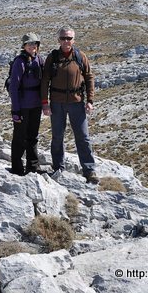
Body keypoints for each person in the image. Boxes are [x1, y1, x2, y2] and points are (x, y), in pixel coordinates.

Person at [41, 27, 99, 184]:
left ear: (74, 40)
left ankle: (89, 170)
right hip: (57, 103)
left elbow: (89, 78)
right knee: (57, 137)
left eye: (69, 38)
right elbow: (45, 80)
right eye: (63, 38)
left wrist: (90, 100)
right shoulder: (52, 57)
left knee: (83, 137)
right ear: (58, 40)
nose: (66, 41)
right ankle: (58, 167)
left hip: (77, 102)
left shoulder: (80, 56)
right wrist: (45, 104)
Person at [8, 32, 44, 175]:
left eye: (35, 44)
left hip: (36, 105)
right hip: (22, 107)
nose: (32, 46)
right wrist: (15, 111)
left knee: (33, 136)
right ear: (24, 46)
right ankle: (17, 168)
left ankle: (33, 166)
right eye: (29, 44)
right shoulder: (19, 62)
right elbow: (13, 87)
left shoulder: (39, 60)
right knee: (19, 138)